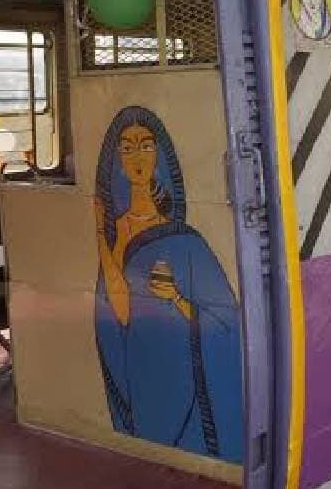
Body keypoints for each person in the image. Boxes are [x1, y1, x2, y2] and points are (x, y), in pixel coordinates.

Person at [93, 106, 244, 463]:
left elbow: (225, 321)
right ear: (115, 160)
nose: (137, 157)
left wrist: (176, 298)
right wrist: (101, 232)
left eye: (146, 145)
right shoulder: (116, 233)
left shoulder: (187, 241)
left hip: (184, 371)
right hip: (142, 366)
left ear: (160, 153)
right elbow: (120, 312)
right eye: (126, 149)